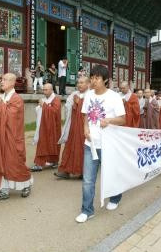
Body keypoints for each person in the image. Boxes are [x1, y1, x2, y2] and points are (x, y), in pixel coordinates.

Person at [75, 65, 125, 223]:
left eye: (97, 78)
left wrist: (109, 120)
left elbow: (123, 119)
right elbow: (85, 116)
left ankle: (115, 197)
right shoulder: (88, 95)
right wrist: (85, 128)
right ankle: (87, 210)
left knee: (111, 174)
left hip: (108, 144)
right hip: (90, 143)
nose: (93, 81)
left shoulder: (114, 97)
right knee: (88, 179)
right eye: (92, 77)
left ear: (105, 80)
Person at [0, 73, 33, 202]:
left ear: (13, 83)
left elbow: (11, 118)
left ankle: (26, 184)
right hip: (0, 135)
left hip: (12, 136)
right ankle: (3, 190)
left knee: (15, 162)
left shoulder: (17, 99)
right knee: (0, 162)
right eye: (2, 79)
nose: (2, 82)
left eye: (5, 80)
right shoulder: (2, 96)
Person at [55, 76, 90, 179]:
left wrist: (80, 103)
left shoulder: (91, 96)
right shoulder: (74, 95)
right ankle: (65, 170)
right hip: (74, 125)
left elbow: (91, 111)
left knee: (82, 148)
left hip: (85, 127)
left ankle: (83, 172)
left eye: (82, 82)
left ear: (88, 84)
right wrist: (72, 104)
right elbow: (68, 108)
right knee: (69, 147)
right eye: (78, 82)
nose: (79, 84)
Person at [31, 83, 61, 172]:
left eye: (46, 90)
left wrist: (44, 105)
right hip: (44, 126)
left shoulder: (56, 100)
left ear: (51, 90)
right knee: (43, 143)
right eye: (43, 89)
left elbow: (55, 112)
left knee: (53, 143)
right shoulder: (44, 99)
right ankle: (40, 163)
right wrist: (42, 106)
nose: (44, 91)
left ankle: (52, 161)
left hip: (53, 127)